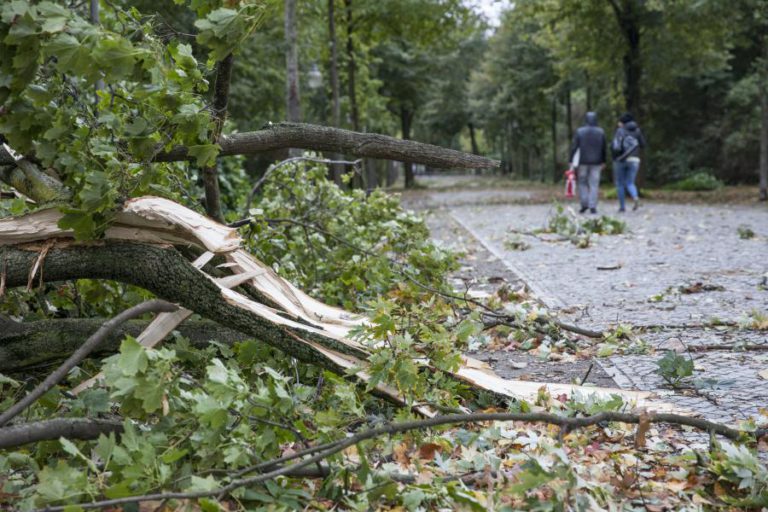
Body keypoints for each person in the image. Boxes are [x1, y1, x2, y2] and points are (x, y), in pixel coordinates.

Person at [569, 112, 606, 214]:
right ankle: (593, 206)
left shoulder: (580, 131)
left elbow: (574, 147)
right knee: (594, 183)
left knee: (582, 182)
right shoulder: (601, 132)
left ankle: (584, 203)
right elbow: (603, 148)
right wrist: (603, 160)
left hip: (582, 161)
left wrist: (571, 160)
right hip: (597, 162)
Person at [611, 113, 646, 212]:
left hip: (621, 159)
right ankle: (635, 197)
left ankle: (622, 207)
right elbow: (643, 144)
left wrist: (615, 156)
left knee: (620, 183)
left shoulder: (620, 131)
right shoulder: (637, 130)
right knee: (630, 182)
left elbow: (616, 146)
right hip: (635, 159)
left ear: (622, 122)